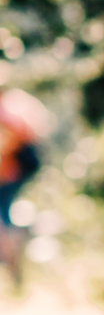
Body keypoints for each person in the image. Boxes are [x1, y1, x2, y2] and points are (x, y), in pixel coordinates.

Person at [0, 88, 49, 298]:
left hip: (15, 169)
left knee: (3, 217)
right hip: (20, 166)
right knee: (5, 215)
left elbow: (10, 144)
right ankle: (13, 262)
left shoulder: (7, 111)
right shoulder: (15, 102)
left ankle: (11, 258)